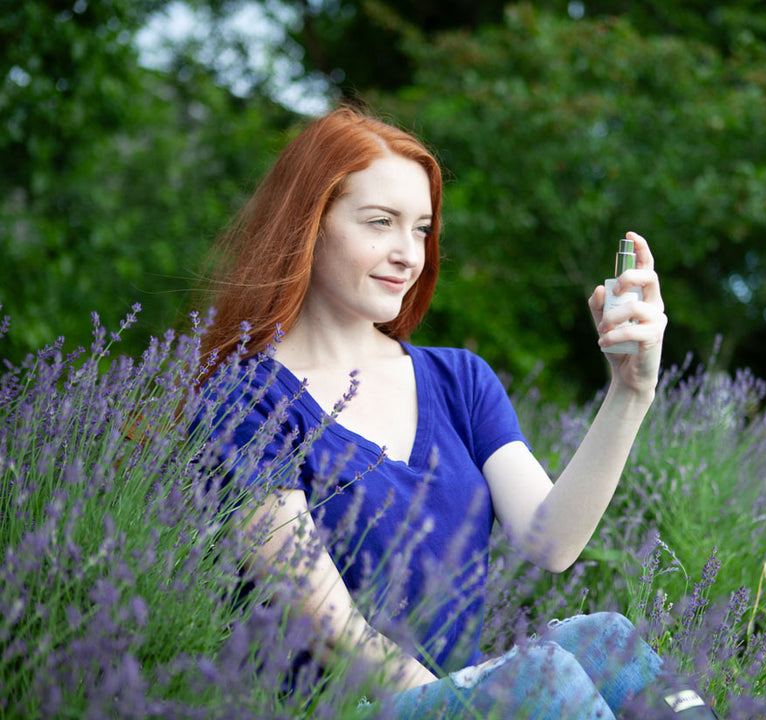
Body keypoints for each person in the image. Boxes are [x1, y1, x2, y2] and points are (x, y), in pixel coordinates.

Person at [197, 106, 714, 719]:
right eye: (380, 222)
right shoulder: (244, 399)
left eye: (420, 229)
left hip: (446, 696)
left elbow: (550, 544)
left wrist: (629, 394)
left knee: (601, 637)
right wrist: (484, 695)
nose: (407, 254)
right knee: (543, 680)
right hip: (337, 708)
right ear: (309, 223)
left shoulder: (457, 380)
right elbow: (336, 634)